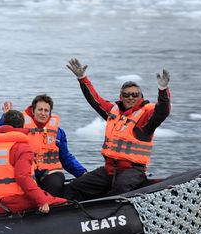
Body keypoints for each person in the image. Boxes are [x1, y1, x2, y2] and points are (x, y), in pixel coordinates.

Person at [63, 58, 172, 200]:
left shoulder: (146, 116)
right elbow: (95, 100)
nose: (130, 97)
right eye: (126, 94)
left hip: (133, 171)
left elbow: (162, 111)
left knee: (119, 190)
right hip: (109, 170)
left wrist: (163, 90)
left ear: (141, 97)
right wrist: (82, 78)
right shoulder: (113, 112)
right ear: (121, 97)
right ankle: (71, 216)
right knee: (74, 187)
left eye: (134, 95)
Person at [0, 110, 67, 215]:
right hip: (17, 203)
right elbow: (23, 177)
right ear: (22, 125)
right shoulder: (22, 148)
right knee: (60, 202)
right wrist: (42, 201)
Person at [0, 94, 86, 197]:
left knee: (54, 185)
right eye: (40, 110)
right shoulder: (20, 127)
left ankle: (53, 208)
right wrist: (5, 118)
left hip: (50, 172)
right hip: (27, 173)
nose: (43, 113)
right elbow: (1, 136)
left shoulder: (58, 133)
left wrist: (83, 173)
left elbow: (66, 158)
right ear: (33, 111)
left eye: (46, 110)